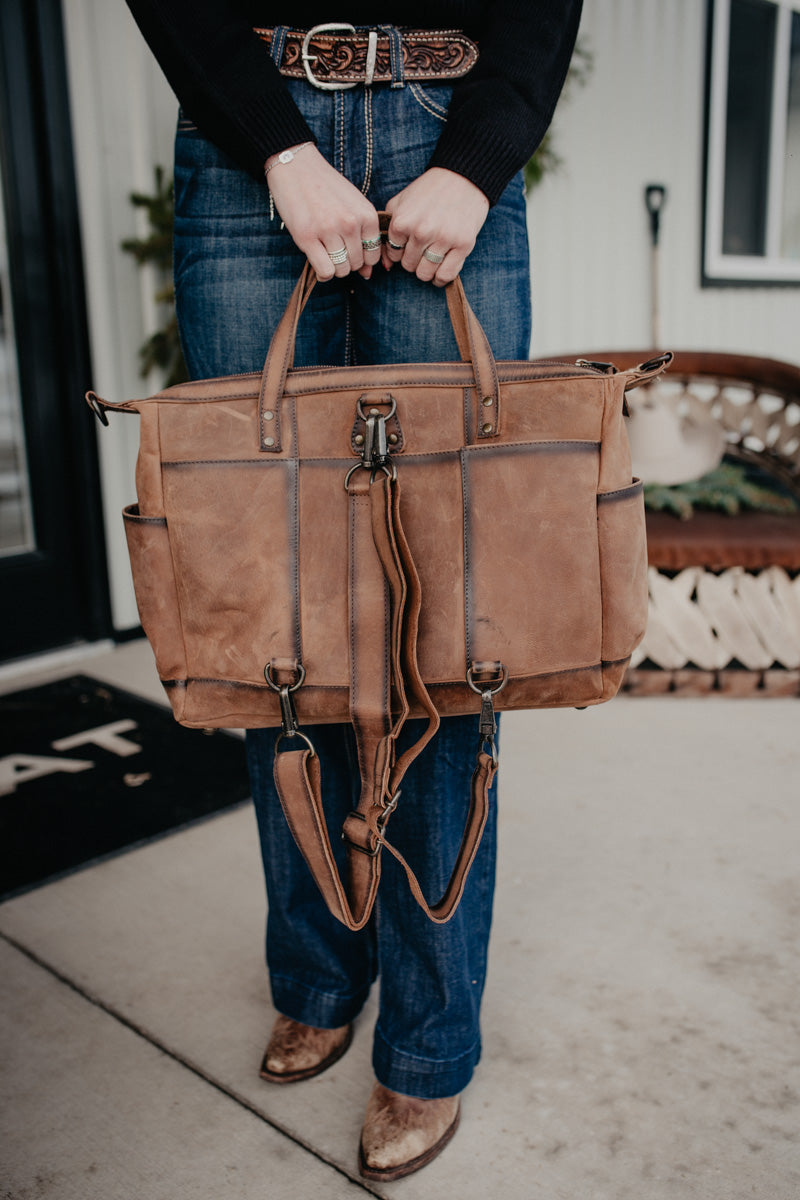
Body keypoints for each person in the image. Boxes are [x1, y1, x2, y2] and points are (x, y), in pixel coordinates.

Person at [125, 2, 583, 1182]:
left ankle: (426, 1049)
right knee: (273, 614)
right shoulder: (256, 151)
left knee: (442, 631)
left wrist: (477, 167)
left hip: (450, 125)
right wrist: (277, 147)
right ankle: (317, 976)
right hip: (247, 150)